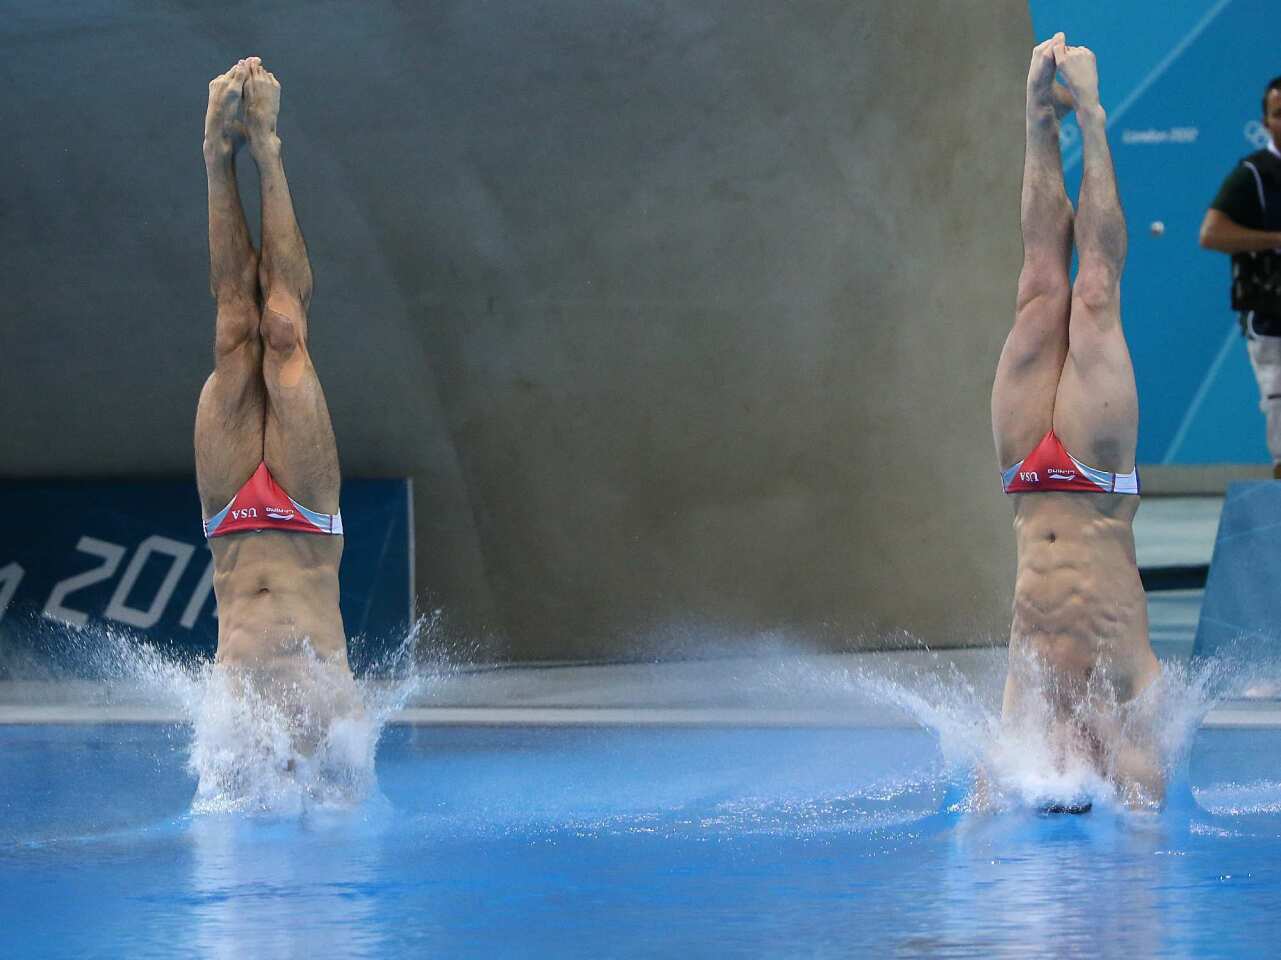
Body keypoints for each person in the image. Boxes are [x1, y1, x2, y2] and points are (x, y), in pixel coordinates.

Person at [988, 34, 1161, 809]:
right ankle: (1077, 114)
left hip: (1028, 478)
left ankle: (1045, 114)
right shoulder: (1128, 701)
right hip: (1093, 477)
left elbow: (982, 809)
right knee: (1087, 294)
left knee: (1041, 290)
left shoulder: (1030, 721)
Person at [197, 58, 356, 741]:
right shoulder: (327, 737)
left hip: (229, 518)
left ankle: (216, 155)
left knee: (242, 326)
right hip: (305, 520)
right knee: (283, 331)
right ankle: (265, 146)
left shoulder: (326, 743)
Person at [1199, 76, 1281, 477]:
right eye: (1279, 114)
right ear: (1265, 121)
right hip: (1271, 315)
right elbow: (1212, 234)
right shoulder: (1253, 174)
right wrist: (1274, 239)